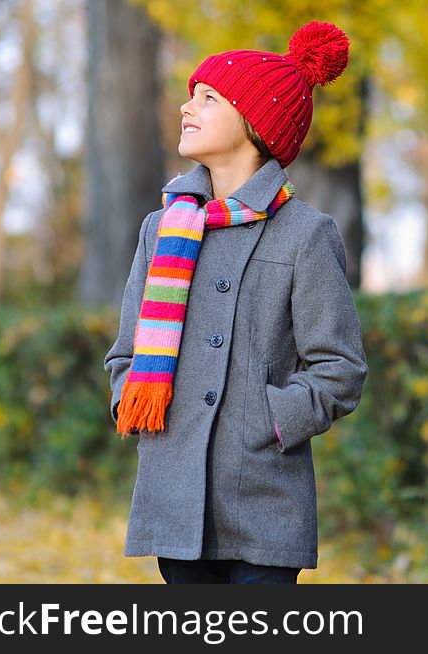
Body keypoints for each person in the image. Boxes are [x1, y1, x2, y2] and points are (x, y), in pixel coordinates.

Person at [103, 20, 368, 584]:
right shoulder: (162, 228)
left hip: (264, 495)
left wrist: (267, 421)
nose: (185, 106)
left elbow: (339, 369)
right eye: (190, 95)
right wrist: (138, 403)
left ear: (255, 122)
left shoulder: (305, 234)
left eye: (207, 97)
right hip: (174, 492)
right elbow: (125, 353)